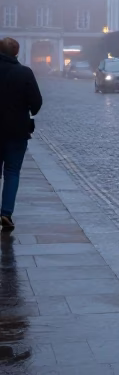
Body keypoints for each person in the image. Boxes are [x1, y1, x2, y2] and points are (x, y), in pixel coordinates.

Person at [0, 37, 43, 230]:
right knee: (12, 171)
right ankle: (6, 213)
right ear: (16, 53)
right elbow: (37, 102)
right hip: (17, 130)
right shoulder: (24, 73)